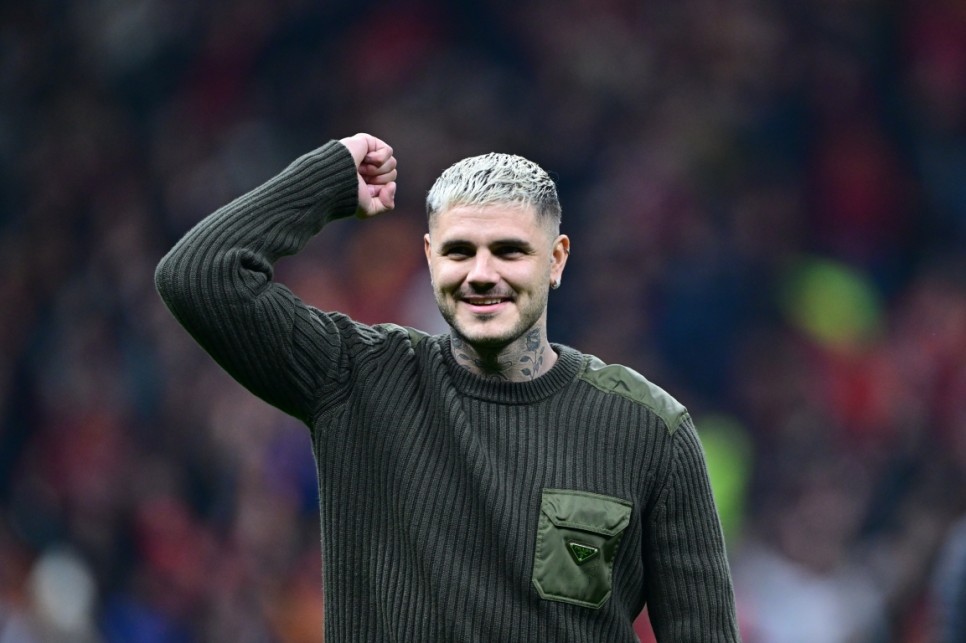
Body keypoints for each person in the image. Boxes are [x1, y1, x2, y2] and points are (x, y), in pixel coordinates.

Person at [155, 133, 741, 642]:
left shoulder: (648, 429)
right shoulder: (357, 377)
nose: (482, 274)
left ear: (557, 260)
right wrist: (328, 177)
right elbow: (199, 276)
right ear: (430, 259)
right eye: (460, 251)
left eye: (510, 250)